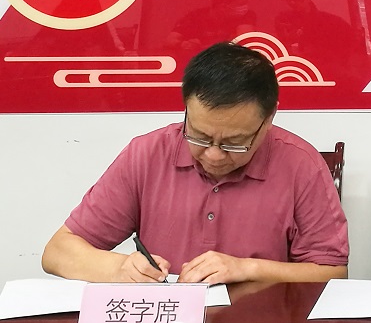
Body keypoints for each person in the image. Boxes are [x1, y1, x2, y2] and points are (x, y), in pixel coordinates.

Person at [42, 42, 349, 284]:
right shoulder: (147, 155)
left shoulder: (301, 165)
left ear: (269, 118)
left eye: (234, 142)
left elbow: (332, 273)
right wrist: (120, 268)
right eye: (200, 136)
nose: (213, 154)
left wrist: (247, 269)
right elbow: (58, 252)